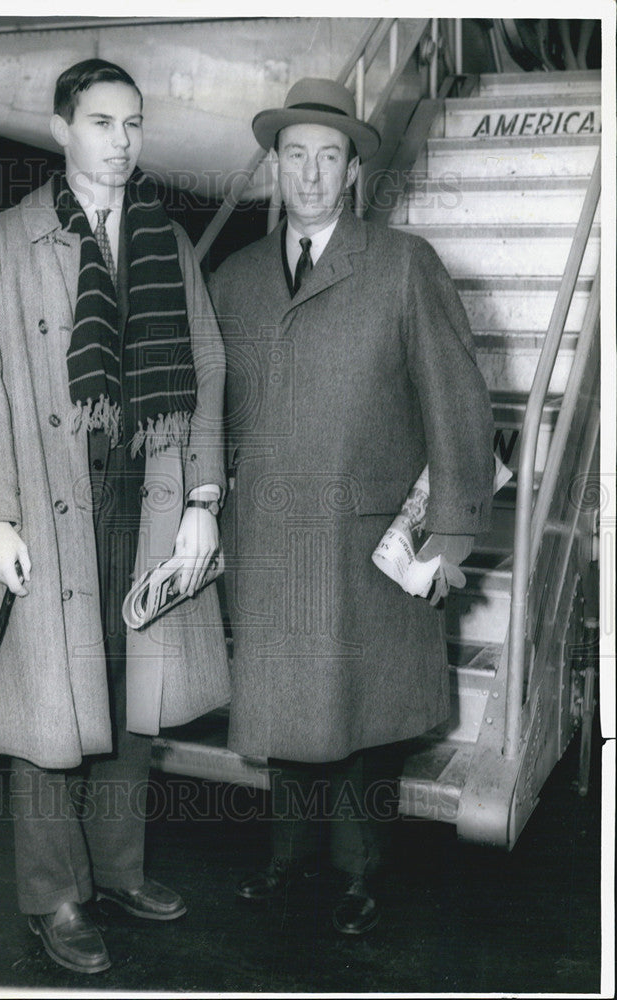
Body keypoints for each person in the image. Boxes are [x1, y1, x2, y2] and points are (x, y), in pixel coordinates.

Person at [0, 58, 228, 975]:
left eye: (134, 124)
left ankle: (117, 869)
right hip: (44, 500)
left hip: (142, 501)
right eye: (103, 122)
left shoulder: (166, 241)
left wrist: (200, 500)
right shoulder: (3, 242)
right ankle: (57, 897)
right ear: (61, 129)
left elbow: (207, 368)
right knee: (47, 711)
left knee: (129, 694)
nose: (122, 141)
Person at [208, 77, 494, 936]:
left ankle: (362, 876)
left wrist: (451, 535)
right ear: (274, 167)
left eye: (329, 157)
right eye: (295, 155)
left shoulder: (403, 265)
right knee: (288, 717)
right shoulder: (236, 277)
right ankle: (287, 864)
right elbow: (210, 412)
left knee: (364, 726)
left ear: (352, 172)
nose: (311, 173)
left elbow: (459, 405)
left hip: (369, 545)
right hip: (269, 540)